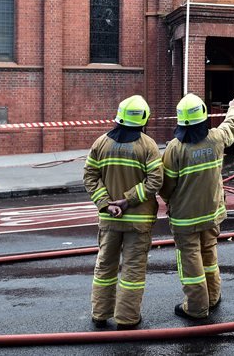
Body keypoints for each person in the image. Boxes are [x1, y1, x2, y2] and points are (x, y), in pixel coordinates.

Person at [83, 95, 164, 330]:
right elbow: (155, 181)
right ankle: (127, 319)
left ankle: (100, 313)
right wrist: (128, 200)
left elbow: (90, 176)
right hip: (138, 222)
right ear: (143, 119)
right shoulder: (147, 146)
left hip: (109, 219)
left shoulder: (101, 143)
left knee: (105, 265)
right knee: (133, 269)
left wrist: (106, 204)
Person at [160, 92, 234, 320]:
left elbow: (166, 187)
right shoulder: (216, 139)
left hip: (185, 219)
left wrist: (171, 202)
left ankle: (196, 307)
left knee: (190, 261)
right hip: (212, 214)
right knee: (209, 254)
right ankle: (213, 297)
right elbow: (231, 123)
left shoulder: (174, 149)